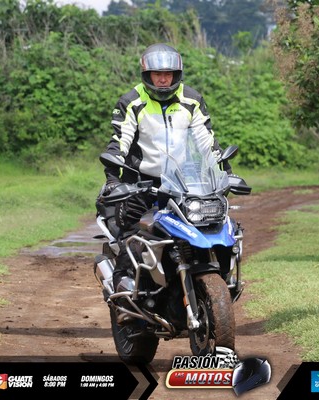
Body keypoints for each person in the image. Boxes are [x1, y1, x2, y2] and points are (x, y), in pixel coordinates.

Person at [100, 43, 233, 291]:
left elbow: (206, 141)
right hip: (141, 183)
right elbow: (119, 141)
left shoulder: (191, 100)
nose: (163, 79)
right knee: (134, 236)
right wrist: (113, 179)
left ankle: (217, 279)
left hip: (183, 182)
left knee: (211, 226)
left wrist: (225, 173)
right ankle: (124, 289)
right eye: (157, 74)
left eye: (168, 74)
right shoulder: (132, 101)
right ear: (147, 75)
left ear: (176, 74)